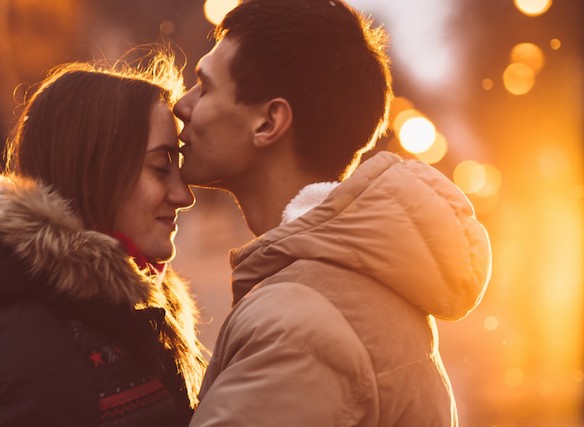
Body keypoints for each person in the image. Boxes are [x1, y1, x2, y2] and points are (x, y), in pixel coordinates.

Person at [172, 0, 492, 425]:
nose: (183, 105)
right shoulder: (345, 285)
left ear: (268, 123)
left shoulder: (296, 328)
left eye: (205, 87)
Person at [0, 61, 206, 427]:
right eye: (159, 167)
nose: (184, 195)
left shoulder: (121, 309)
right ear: (92, 172)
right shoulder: (27, 352)